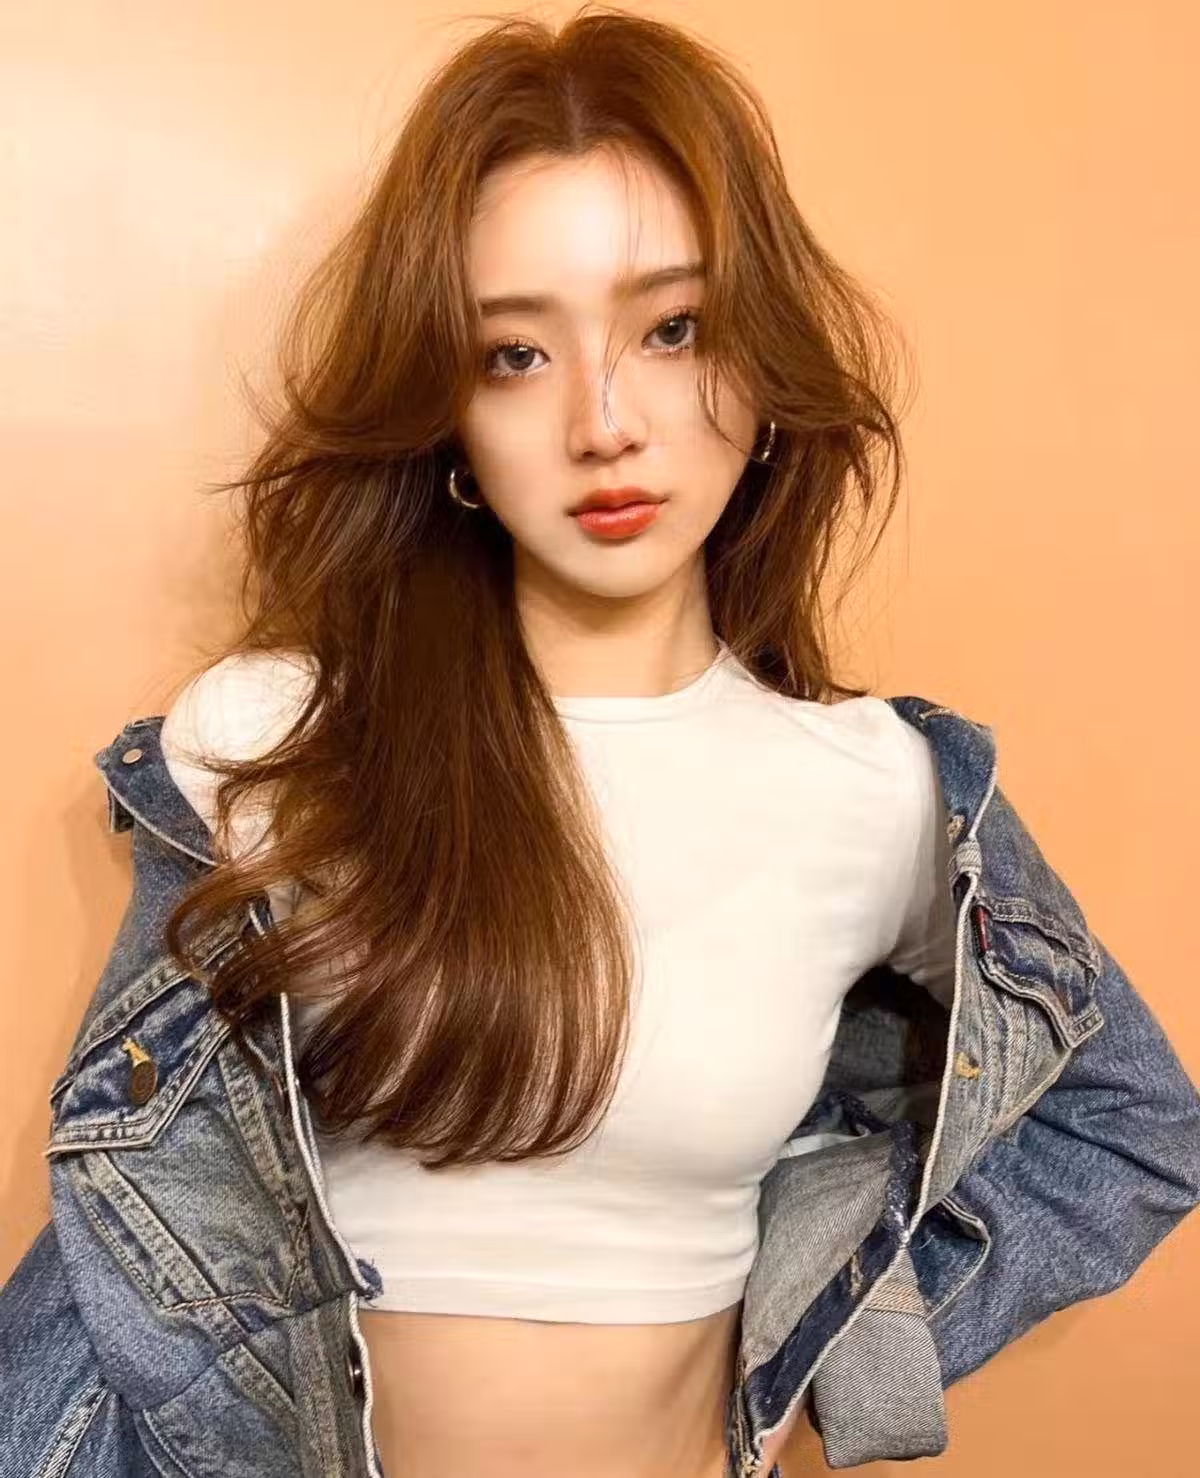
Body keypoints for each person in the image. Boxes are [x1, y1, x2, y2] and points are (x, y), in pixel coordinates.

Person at [5, 8, 1200, 1478]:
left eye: (672, 328)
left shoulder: (872, 790)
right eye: (514, 353)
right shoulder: (274, 742)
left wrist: (838, 1340)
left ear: (758, 363)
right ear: (448, 420)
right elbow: (117, 1245)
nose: (605, 421)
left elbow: (1131, 1126)